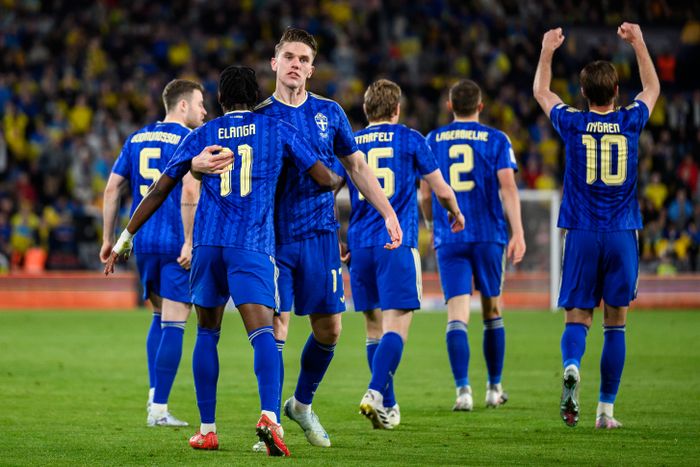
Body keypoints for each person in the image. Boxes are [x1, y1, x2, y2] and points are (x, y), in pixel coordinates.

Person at [105, 65, 343, 456]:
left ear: (219, 99)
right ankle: (270, 417)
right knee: (263, 334)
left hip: (208, 246)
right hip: (251, 244)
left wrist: (124, 237)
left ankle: (208, 430)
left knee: (207, 333)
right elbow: (323, 178)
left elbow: (159, 188)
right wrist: (337, 178)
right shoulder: (276, 129)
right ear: (256, 97)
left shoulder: (202, 134)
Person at [248, 27, 401, 448]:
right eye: (289, 57)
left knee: (330, 330)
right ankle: (270, 424)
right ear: (274, 63)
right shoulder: (258, 116)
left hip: (320, 237)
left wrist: (387, 212)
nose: (295, 65)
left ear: (312, 69)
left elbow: (357, 167)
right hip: (274, 238)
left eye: (304, 59)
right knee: (276, 326)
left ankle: (300, 404)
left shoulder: (329, 112)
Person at [533, 23, 659, 429]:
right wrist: (639, 42)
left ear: (583, 93)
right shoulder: (630, 120)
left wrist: (547, 50)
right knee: (615, 323)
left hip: (581, 232)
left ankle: (572, 364)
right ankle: (605, 412)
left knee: (577, 319)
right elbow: (652, 88)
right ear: (617, 91)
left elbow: (541, 91)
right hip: (621, 232)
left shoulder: (572, 122)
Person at [337, 79, 464, 429]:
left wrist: (336, 238)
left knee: (373, 328)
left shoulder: (351, 143)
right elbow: (441, 190)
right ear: (396, 110)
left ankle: (388, 406)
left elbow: (327, 191)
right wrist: (455, 212)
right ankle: (375, 392)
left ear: (366, 110)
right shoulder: (410, 139)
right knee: (397, 326)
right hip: (396, 242)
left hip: (359, 246)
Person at [100, 79, 206, 427]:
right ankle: (159, 409)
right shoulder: (190, 139)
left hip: (143, 241)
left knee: (159, 316)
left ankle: (153, 396)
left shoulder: (137, 138)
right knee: (176, 320)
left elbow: (112, 188)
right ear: (182, 105)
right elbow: (189, 190)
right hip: (175, 241)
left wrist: (109, 238)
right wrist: (189, 240)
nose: (204, 111)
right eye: (200, 104)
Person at [421, 79, 526, 412]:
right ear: (480, 106)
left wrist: (432, 225)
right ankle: (494, 388)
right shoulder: (497, 139)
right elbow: (508, 188)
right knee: (492, 310)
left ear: (449, 106)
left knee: (457, 316)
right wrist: (518, 231)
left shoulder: (432, 140)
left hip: (450, 237)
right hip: (488, 235)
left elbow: (425, 194)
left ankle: (463, 391)